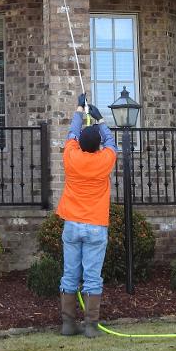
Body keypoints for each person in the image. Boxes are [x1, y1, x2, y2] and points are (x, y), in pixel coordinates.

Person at [56, 93, 118, 338]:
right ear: (97, 147)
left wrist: (79, 111)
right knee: (92, 276)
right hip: (95, 224)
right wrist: (100, 119)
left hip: (72, 223)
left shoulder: (71, 155)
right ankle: (91, 327)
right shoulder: (105, 158)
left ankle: (68, 324)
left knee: (70, 274)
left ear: (81, 144)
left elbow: (71, 133)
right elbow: (111, 142)